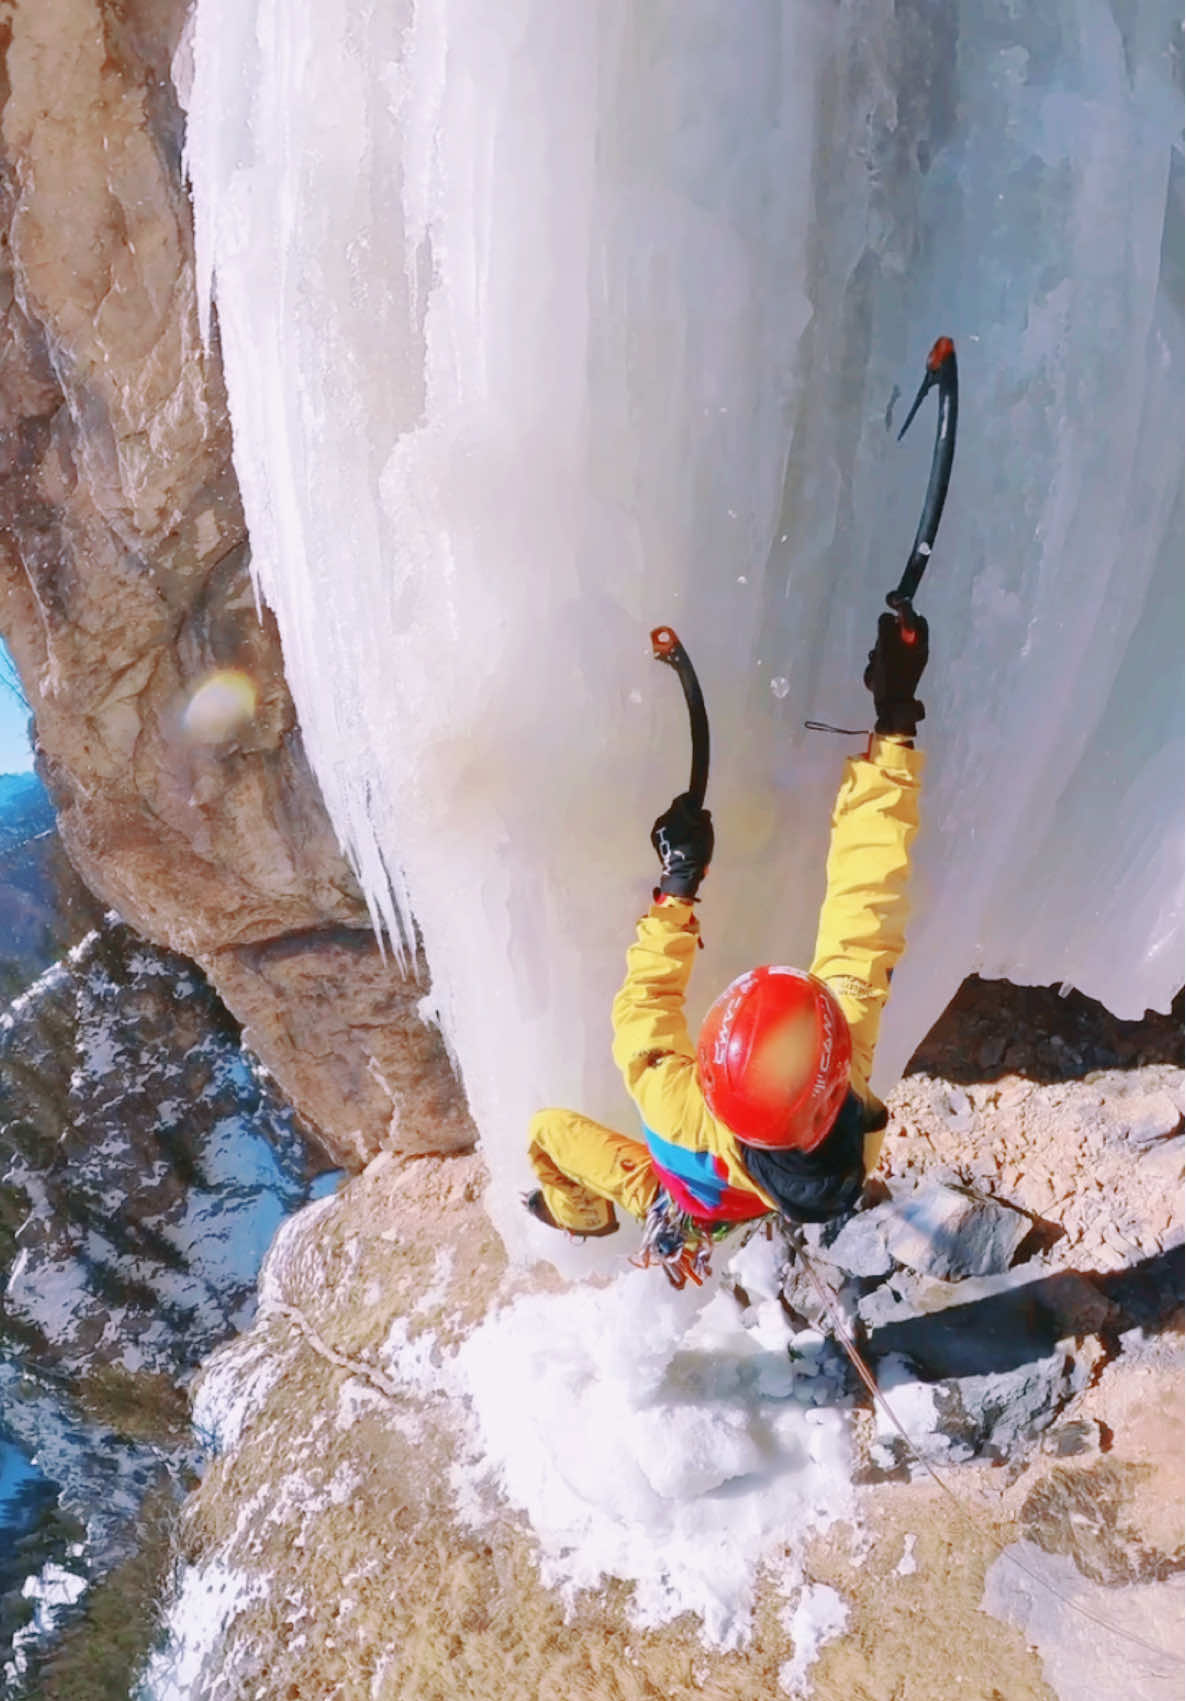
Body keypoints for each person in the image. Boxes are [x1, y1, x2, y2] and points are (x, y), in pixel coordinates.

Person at [525, 612, 928, 1284]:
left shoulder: (686, 1110)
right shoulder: (841, 1075)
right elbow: (867, 897)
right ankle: (639, 1215)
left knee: (545, 1134)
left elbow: (641, 1015)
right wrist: (896, 721)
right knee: (558, 1130)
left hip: (668, 1190)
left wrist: (678, 890)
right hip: (737, 1199)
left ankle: (583, 1216)